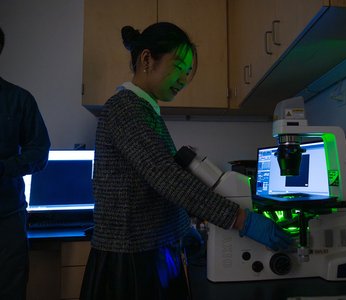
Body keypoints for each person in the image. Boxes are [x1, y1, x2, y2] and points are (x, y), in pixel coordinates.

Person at [79, 22, 292, 300]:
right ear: (147, 59)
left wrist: (182, 228)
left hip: (151, 251)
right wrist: (242, 219)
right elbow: (167, 178)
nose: (184, 78)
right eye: (179, 66)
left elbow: (156, 184)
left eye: (188, 72)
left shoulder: (145, 110)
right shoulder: (126, 108)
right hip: (130, 260)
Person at [0, 26, 51, 300]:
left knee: (10, 291)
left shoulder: (19, 100)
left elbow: (40, 153)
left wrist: (4, 167)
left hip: (7, 219)